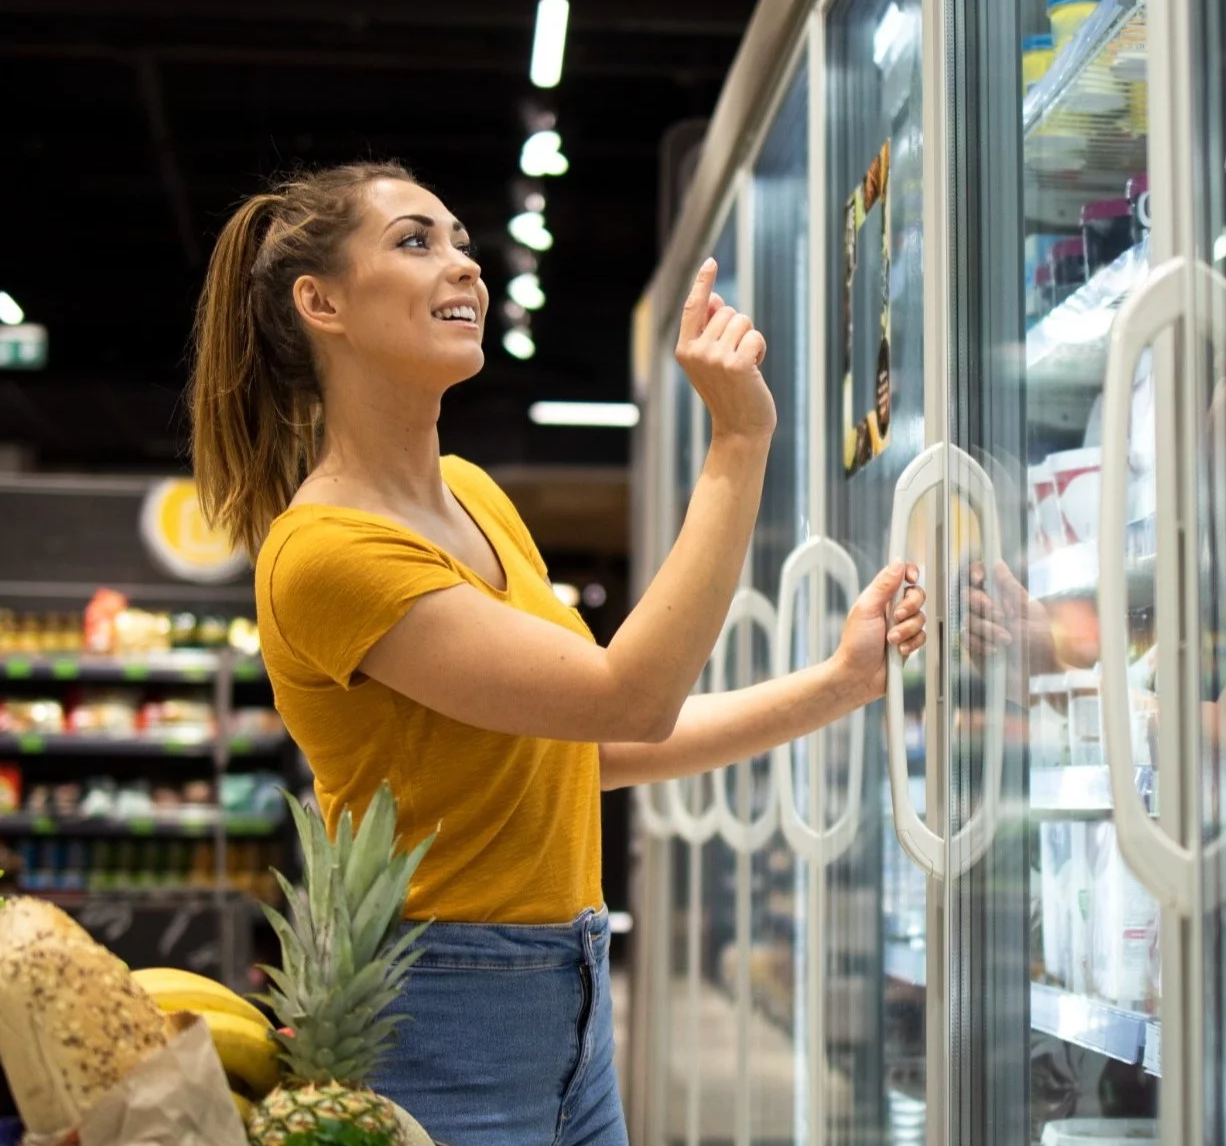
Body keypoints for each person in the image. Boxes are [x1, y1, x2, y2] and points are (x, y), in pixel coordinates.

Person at [186, 162, 928, 1146]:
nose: (463, 265)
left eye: (460, 240)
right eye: (415, 242)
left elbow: (584, 751)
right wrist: (739, 436)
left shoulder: (473, 496)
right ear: (318, 302)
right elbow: (630, 697)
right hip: (442, 1018)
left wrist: (840, 684)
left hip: (567, 995)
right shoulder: (326, 553)